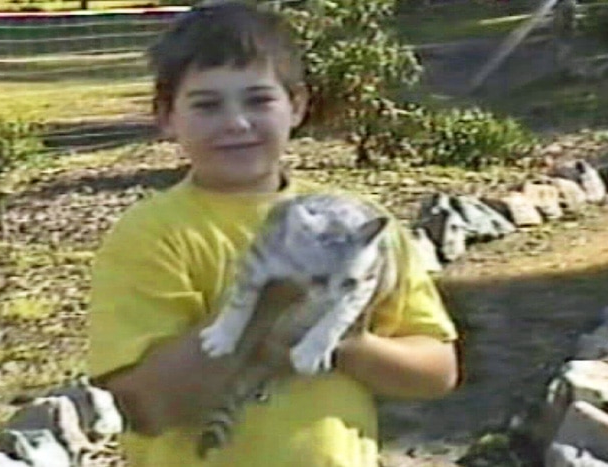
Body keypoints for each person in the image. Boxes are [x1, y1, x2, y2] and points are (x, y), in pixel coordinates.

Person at [87, 2, 461, 466]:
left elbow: (437, 372)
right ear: (166, 117)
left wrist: (341, 337)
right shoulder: (153, 235)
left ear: (297, 106)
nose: (237, 123)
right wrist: (264, 316)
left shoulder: (361, 225)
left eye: (258, 100)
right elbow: (145, 408)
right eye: (207, 105)